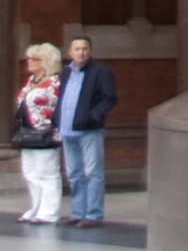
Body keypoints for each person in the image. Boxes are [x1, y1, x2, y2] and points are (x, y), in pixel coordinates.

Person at [56, 33, 116, 227]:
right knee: (74, 173)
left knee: (92, 173)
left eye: (84, 49)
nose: (81, 52)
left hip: (89, 130)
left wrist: (94, 116)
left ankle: (93, 215)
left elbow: (109, 97)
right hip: (67, 129)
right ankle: (78, 212)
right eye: (77, 49)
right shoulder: (66, 72)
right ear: (70, 52)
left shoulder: (100, 71)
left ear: (90, 51)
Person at [13, 43, 63, 225]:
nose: (29, 62)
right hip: (27, 132)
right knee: (31, 173)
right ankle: (36, 207)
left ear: (46, 61)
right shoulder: (31, 81)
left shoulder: (55, 83)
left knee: (47, 173)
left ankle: (49, 212)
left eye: (34, 59)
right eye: (29, 58)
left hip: (46, 133)